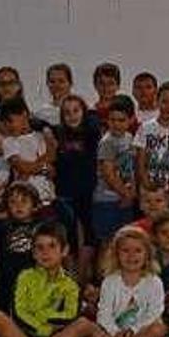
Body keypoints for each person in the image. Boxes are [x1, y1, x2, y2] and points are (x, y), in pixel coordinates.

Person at [0, 222, 103, 337]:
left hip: (57, 334)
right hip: (27, 333)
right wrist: (40, 327)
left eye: (52, 246)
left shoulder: (71, 283)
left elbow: (70, 315)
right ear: (33, 253)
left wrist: (40, 316)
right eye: (39, 247)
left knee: (83, 324)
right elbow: (19, 312)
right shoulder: (25, 277)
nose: (45, 252)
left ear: (64, 250)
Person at [90, 227, 168, 337]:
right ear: (116, 254)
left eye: (138, 251)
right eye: (125, 251)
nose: (131, 256)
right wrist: (116, 333)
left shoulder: (154, 281)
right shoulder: (110, 281)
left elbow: (155, 312)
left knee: (159, 329)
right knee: (89, 329)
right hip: (115, 331)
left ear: (147, 254)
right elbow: (104, 314)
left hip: (141, 332)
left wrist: (132, 331)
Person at [0, 182, 46, 315]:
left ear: (35, 206)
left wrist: (53, 200)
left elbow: (66, 219)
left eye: (24, 201)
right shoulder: (1, 228)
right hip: (6, 287)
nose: (18, 206)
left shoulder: (42, 228)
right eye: (13, 202)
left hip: (34, 287)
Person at [54, 94, 101, 248]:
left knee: (89, 236)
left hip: (88, 192)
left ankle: (86, 271)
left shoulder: (92, 133)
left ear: (83, 111)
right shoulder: (58, 134)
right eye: (67, 112)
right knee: (69, 237)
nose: (72, 116)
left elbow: (94, 117)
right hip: (65, 192)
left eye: (76, 110)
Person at [93, 96, 137, 241]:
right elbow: (108, 174)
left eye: (121, 120)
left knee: (124, 240)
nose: (116, 124)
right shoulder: (107, 142)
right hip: (107, 200)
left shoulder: (129, 138)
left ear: (131, 120)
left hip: (125, 198)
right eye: (112, 120)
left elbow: (131, 168)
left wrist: (131, 191)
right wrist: (126, 194)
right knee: (108, 242)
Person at [0, 97, 56, 206]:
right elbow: (23, 167)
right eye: (4, 123)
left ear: (24, 115)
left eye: (10, 121)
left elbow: (52, 159)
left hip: (47, 195)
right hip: (24, 197)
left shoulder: (41, 136)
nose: (8, 126)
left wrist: (37, 168)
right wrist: (43, 168)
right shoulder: (9, 142)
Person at [91, 62, 122, 129]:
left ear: (118, 86)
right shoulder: (90, 113)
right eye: (101, 83)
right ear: (95, 85)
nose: (106, 88)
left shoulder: (126, 111)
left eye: (111, 83)